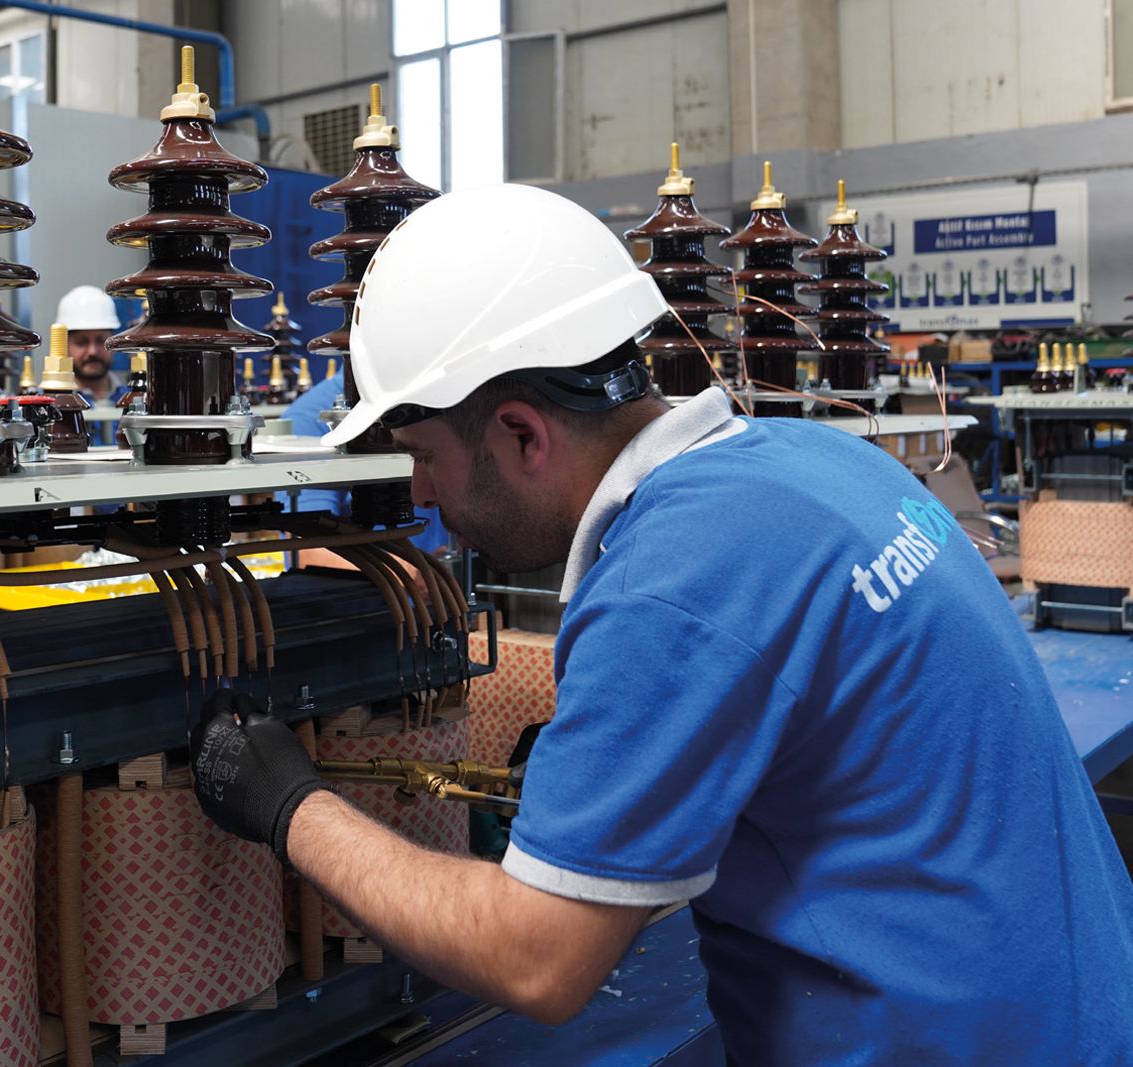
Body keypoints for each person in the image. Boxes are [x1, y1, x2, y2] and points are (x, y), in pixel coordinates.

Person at [190, 185, 1133, 1064]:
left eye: (424, 457)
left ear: (521, 434)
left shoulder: (669, 584)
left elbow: (537, 958)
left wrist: (291, 804)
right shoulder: (814, 458)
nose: (423, 495)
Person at [280, 368, 448, 556]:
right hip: (384, 574)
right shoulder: (306, 418)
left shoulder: (436, 397)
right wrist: (417, 571)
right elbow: (310, 552)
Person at [54, 285, 124, 403]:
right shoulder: (49, 404)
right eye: (81, 343)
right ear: (65, 345)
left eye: (101, 341)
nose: (92, 352)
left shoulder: (133, 399)